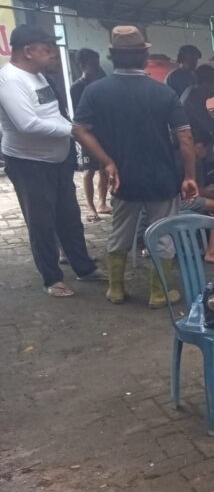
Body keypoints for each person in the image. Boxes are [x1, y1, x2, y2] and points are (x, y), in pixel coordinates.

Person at [72, 25, 199, 307]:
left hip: (123, 177)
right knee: (163, 232)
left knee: (120, 233)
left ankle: (116, 289)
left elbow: (79, 129)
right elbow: (185, 137)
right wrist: (189, 176)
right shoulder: (163, 93)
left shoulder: (95, 91)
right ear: (145, 56)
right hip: (162, 176)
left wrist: (107, 162)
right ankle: (159, 292)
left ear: (112, 56)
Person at [0, 24, 104, 297]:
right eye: (46, 50)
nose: (52, 55)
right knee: (41, 222)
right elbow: (26, 123)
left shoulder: (39, 76)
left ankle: (83, 267)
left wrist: (70, 128)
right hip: (30, 163)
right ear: (28, 51)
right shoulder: (11, 80)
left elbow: (53, 113)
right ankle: (51, 278)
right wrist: (72, 131)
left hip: (58, 160)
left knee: (69, 216)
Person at [70, 48, 110, 221]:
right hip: (87, 133)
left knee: (104, 169)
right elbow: (81, 113)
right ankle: (90, 206)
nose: (96, 66)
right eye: (92, 64)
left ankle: (102, 202)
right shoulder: (77, 87)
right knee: (89, 170)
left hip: (103, 132)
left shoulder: (102, 83)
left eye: (97, 63)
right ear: (82, 65)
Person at [181, 64, 214, 183]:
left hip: (196, 141)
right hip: (192, 146)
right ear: (204, 83)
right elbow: (208, 125)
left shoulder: (194, 94)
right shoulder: (193, 98)